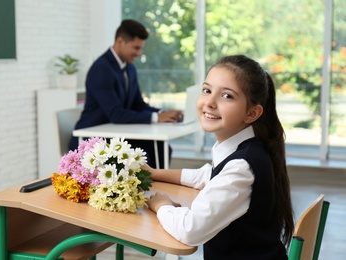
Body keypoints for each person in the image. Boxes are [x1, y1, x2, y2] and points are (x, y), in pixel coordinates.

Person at [145, 55, 294, 259]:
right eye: (207, 90)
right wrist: (155, 173)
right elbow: (206, 176)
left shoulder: (242, 166)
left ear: (252, 113)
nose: (210, 102)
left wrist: (161, 205)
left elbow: (190, 230)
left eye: (227, 96)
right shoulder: (246, 148)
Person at [69, 19, 183, 168]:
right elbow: (116, 114)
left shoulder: (129, 68)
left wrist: (164, 114)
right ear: (120, 41)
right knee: (147, 154)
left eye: (141, 48)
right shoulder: (101, 68)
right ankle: (146, 190)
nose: (139, 53)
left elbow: (138, 104)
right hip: (93, 139)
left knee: (161, 148)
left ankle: (155, 190)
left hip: (115, 134)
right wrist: (156, 117)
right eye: (136, 48)